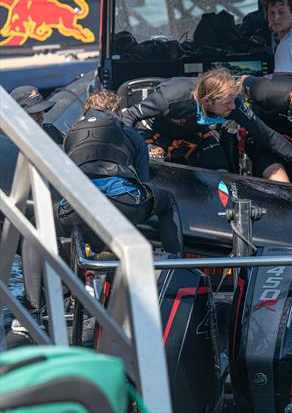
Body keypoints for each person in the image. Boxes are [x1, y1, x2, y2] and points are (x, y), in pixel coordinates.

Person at [122, 68, 292, 185]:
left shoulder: (234, 104)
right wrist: (129, 156)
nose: (233, 108)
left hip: (195, 135)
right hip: (155, 133)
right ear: (207, 102)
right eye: (227, 103)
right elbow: (130, 117)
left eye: (234, 101)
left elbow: (268, 136)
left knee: (223, 177)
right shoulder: (170, 99)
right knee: (152, 170)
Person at [59, 90, 185, 257]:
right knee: (166, 201)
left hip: (75, 210)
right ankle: (177, 262)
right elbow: (143, 180)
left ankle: (66, 277)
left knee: (48, 224)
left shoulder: (70, 134)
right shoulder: (127, 131)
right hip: (122, 203)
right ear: (115, 110)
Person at [9, 85, 63, 316]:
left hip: (52, 203)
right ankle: (34, 305)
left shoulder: (52, 133)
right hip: (17, 207)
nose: (41, 115)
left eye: (43, 110)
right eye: (35, 112)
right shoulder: (7, 140)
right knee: (32, 229)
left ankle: (54, 296)